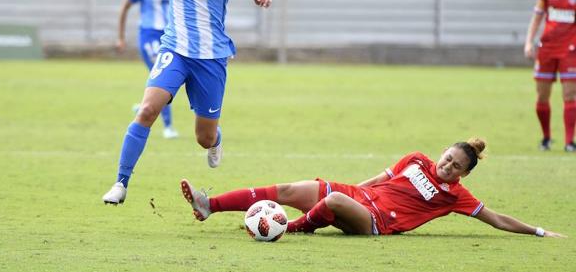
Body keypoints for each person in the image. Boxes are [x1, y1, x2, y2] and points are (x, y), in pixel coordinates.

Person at [70, 0, 272, 205]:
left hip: (210, 59)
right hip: (174, 51)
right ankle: (120, 183)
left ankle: (216, 141)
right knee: (147, 110)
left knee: (203, 137)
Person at [181, 138, 565, 238]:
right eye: (447, 158)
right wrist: (347, 191)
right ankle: (209, 204)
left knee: (330, 199)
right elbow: (379, 180)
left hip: (378, 221)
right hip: (362, 198)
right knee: (289, 188)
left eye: (455, 167)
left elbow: (496, 219)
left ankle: (290, 229)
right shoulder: (416, 159)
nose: (446, 166)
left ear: (463, 175)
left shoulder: (456, 197)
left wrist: (539, 230)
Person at [117, 0, 178, 140]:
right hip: (149, 36)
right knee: (163, 79)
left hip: (171, 37)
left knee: (176, 80)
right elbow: (125, 7)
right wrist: (121, 37)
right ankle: (168, 127)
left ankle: (144, 106)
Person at [524, 0, 576, 152]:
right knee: (542, 95)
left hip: (570, 50)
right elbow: (537, 17)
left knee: (570, 95)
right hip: (547, 48)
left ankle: (569, 141)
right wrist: (529, 42)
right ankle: (546, 138)